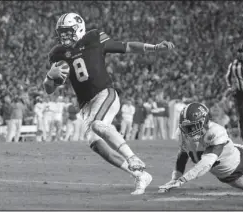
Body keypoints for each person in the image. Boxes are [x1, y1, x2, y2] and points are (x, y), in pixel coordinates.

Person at [43, 12, 175, 195]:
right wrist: (50, 76)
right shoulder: (58, 53)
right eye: (61, 33)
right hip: (86, 106)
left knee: (98, 125)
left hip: (105, 94)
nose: (64, 36)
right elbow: (49, 88)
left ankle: (132, 157)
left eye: (67, 32)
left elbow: (126, 46)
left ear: (79, 28)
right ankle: (140, 175)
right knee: (95, 143)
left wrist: (154, 47)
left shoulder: (94, 38)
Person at [158, 102, 243, 193]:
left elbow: (205, 164)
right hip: (236, 177)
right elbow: (182, 158)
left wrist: (181, 180)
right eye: (186, 127)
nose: (188, 131)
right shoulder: (183, 135)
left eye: (192, 127)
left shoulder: (215, 132)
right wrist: (175, 178)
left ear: (204, 122)